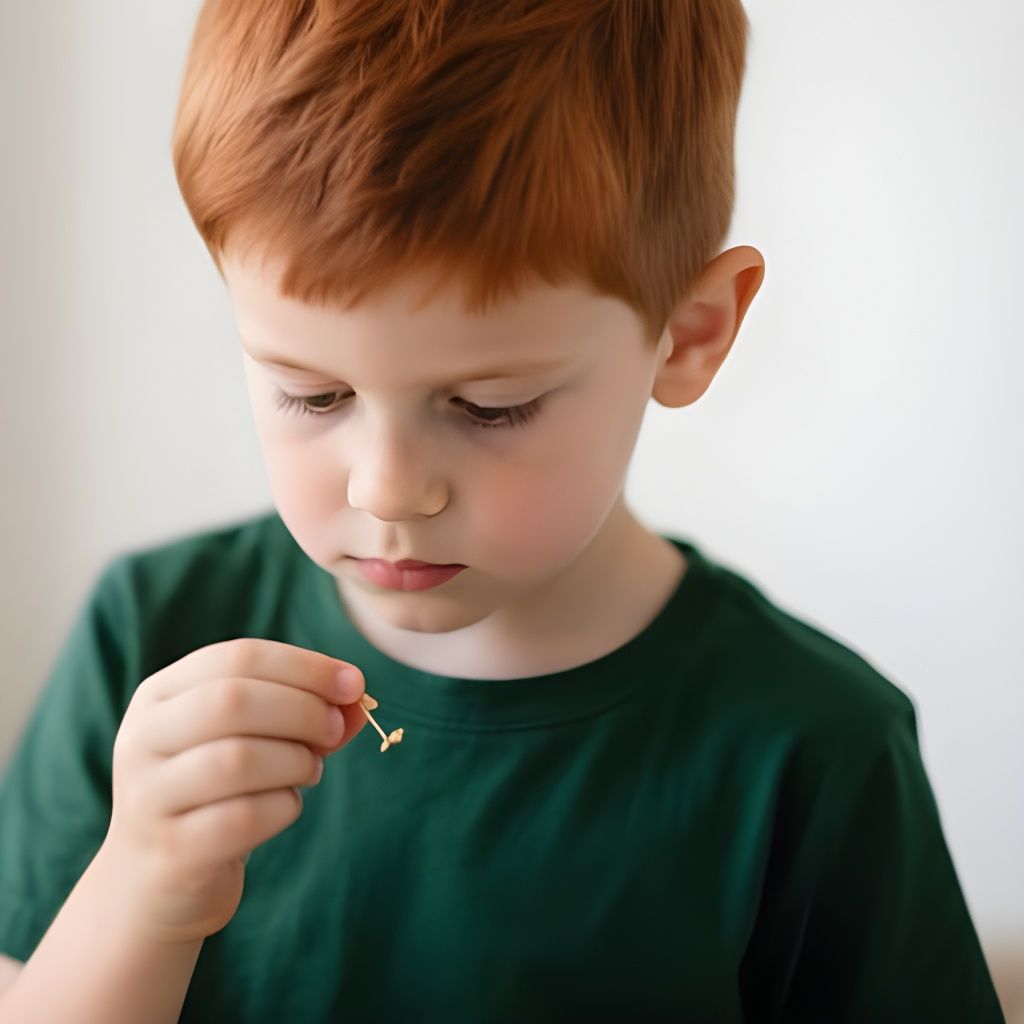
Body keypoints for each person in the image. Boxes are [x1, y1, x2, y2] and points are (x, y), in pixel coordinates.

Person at [0, 2, 1006, 1022]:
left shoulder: (811, 752)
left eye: (490, 406)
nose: (387, 489)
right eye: (312, 393)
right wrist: (141, 894)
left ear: (689, 333)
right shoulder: (151, 641)